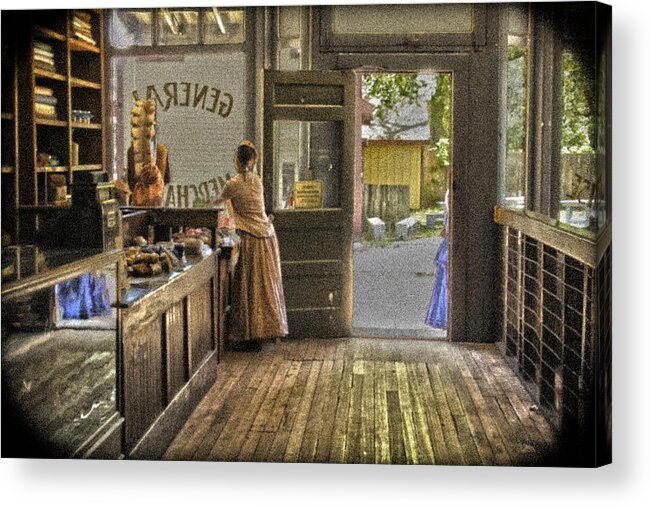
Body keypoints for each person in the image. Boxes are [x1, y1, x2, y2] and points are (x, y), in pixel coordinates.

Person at [214, 140, 288, 351]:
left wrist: (207, 202)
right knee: (266, 285)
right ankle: (268, 330)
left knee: (250, 286)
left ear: (237, 160)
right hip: (267, 236)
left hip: (250, 238)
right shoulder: (257, 181)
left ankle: (249, 332)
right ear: (252, 160)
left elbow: (217, 202)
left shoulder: (233, 184)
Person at [425, 188, 449, 330]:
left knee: (446, 283)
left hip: (449, 245)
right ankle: (443, 317)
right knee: (445, 283)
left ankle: (443, 317)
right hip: (448, 244)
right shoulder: (450, 192)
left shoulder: (451, 192)